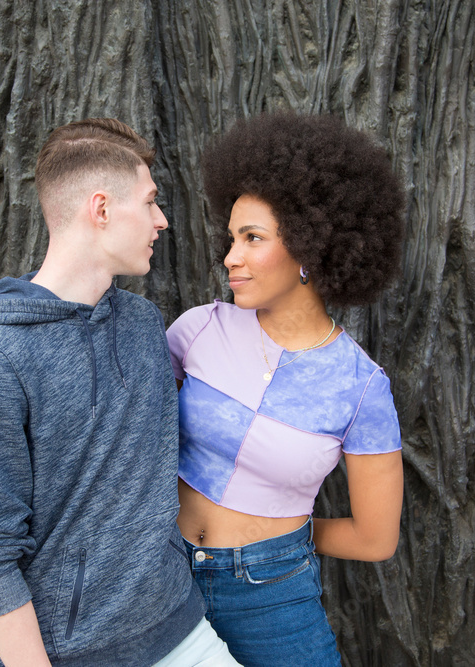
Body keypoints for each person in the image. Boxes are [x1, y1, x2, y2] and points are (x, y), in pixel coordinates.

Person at [0, 118, 239, 667]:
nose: (162, 221)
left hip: (184, 630)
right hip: (72, 656)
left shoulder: (144, 324)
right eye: (150, 202)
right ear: (101, 209)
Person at [167, 113, 406, 666]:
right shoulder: (197, 329)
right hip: (162, 580)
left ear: (308, 245)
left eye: (253, 238)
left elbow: (375, 539)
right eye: (232, 237)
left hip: (271, 595)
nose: (231, 257)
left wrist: (279, 539)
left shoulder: (361, 388)